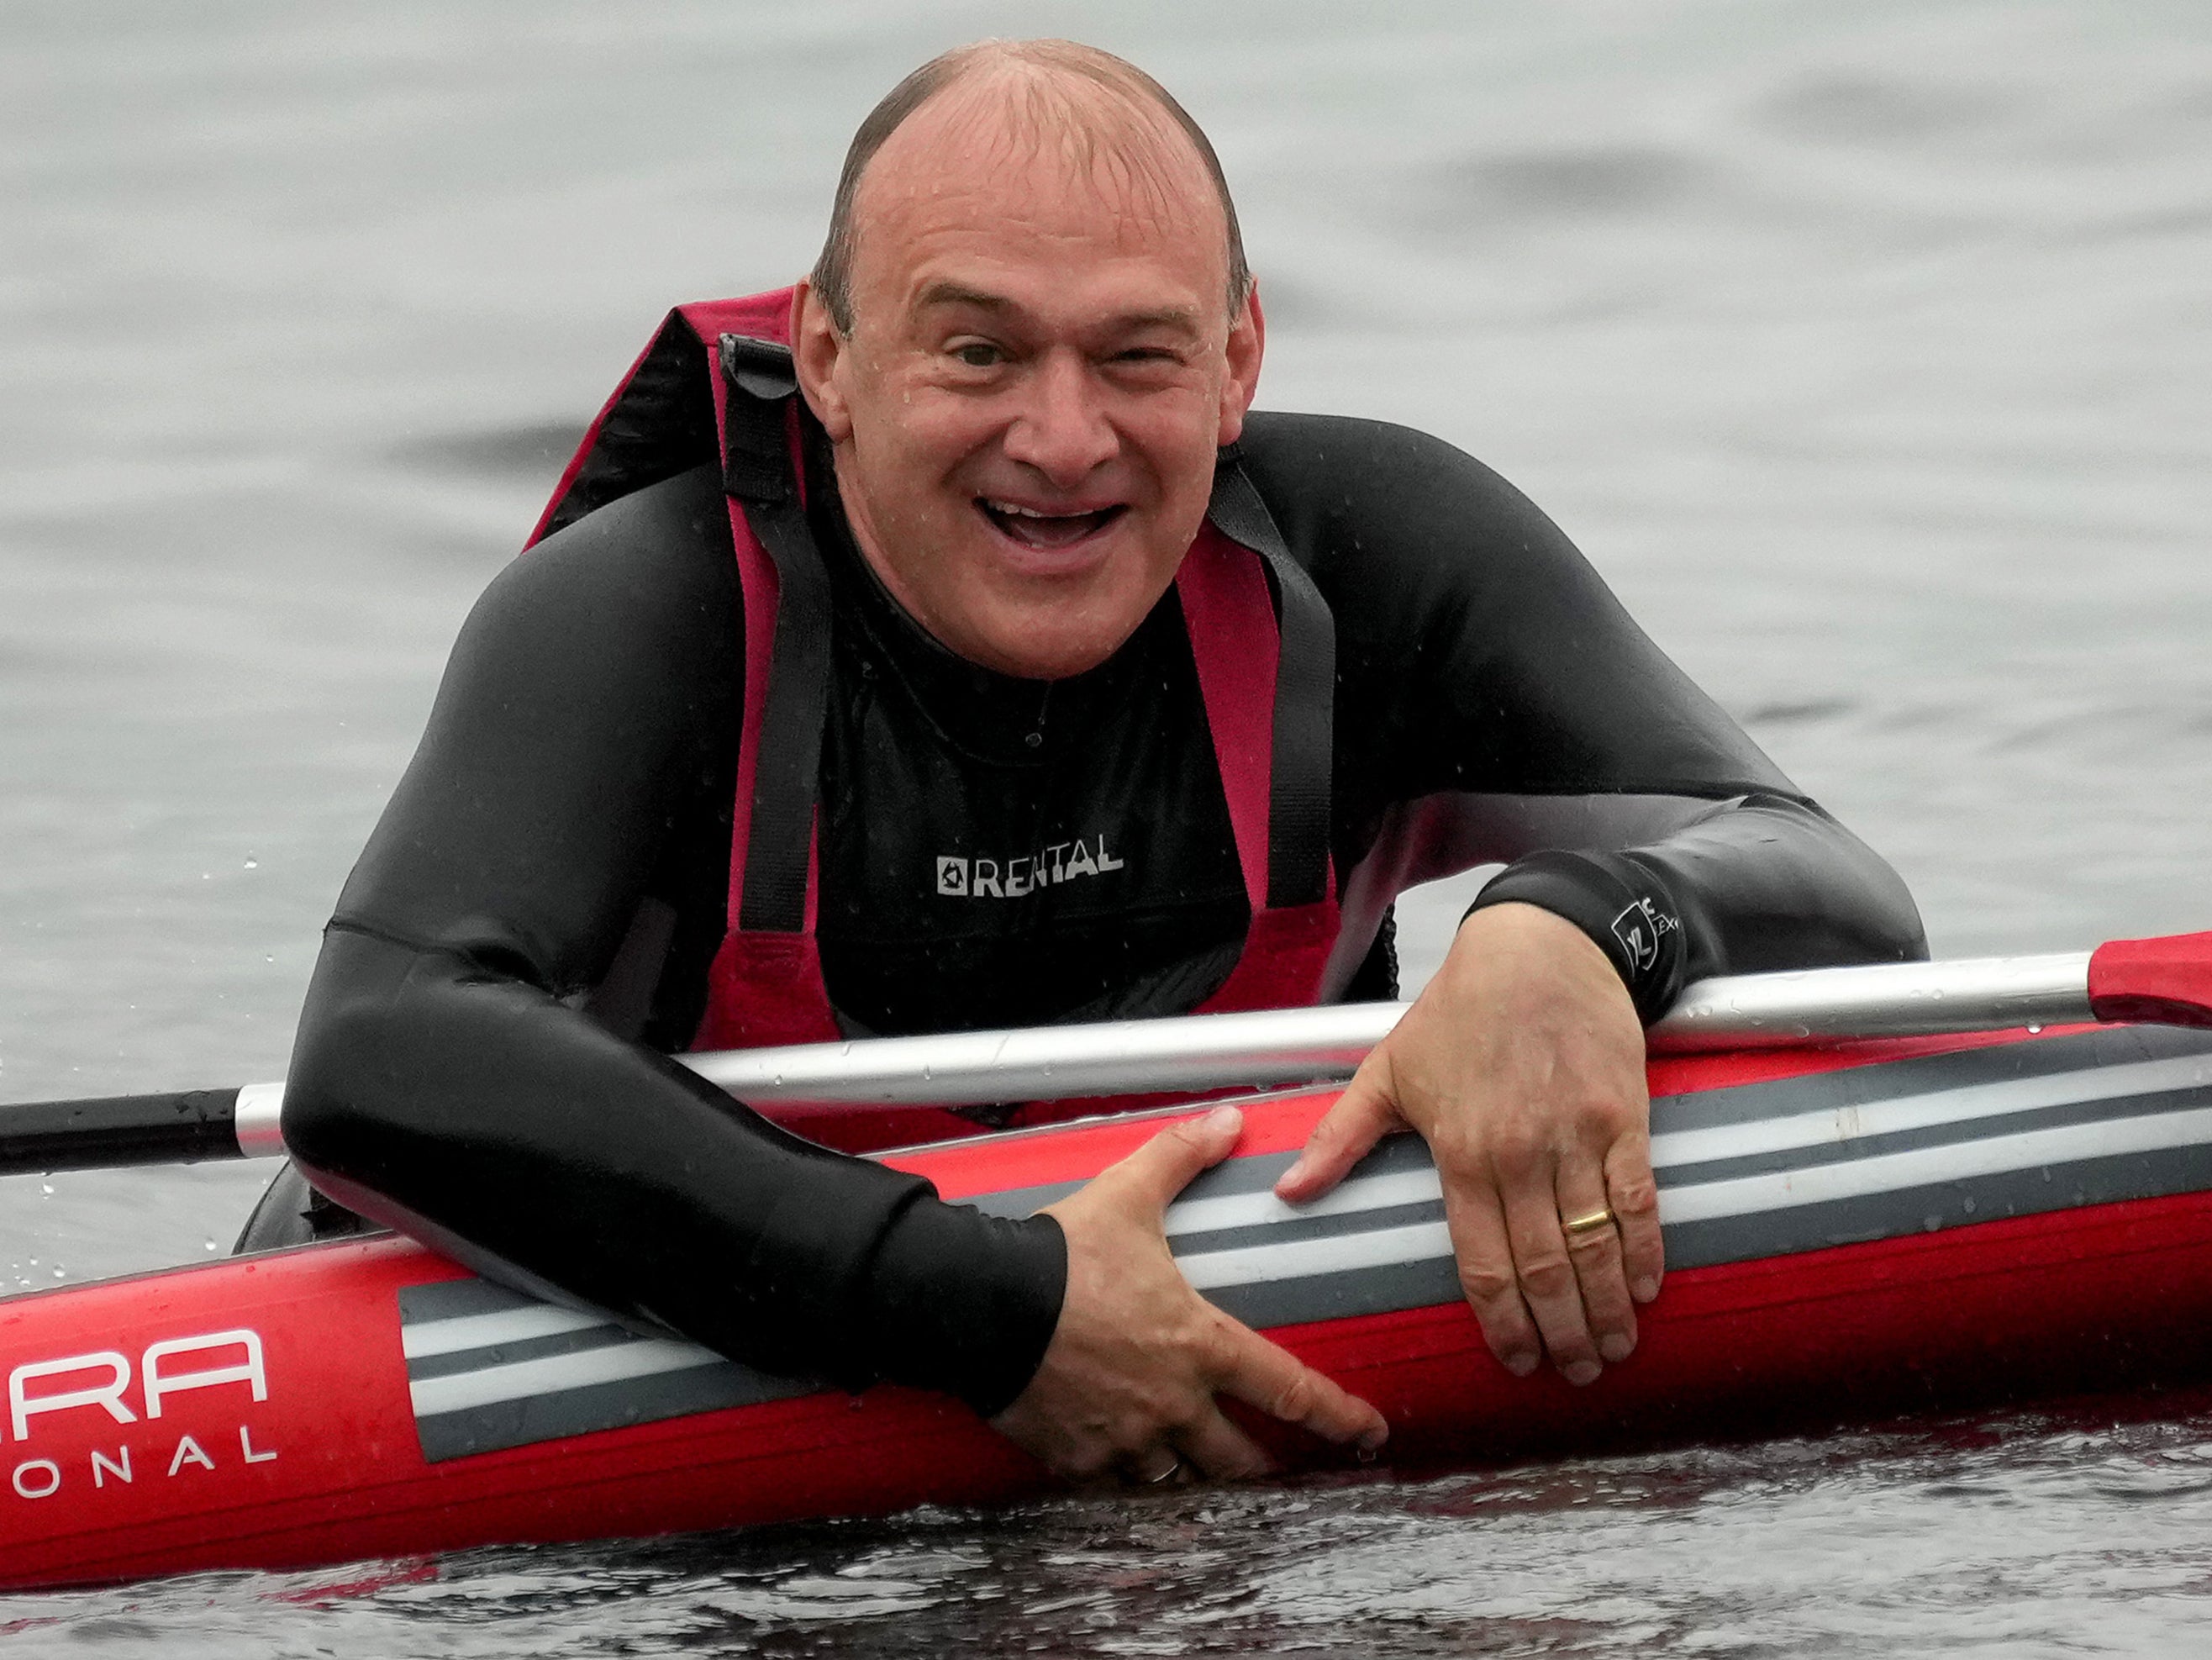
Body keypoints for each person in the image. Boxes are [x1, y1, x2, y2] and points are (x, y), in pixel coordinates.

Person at [267, 39, 1925, 1484]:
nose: (1060, 442)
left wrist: (1574, 929)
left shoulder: (1379, 560)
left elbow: (1822, 877)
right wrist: (991, 1313)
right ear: (829, 359)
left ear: (1234, 363)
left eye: (1134, 355)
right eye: (977, 351)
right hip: (638, 1453)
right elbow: (384, 1053)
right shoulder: (651, 613)